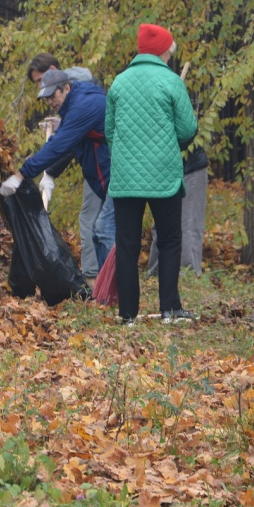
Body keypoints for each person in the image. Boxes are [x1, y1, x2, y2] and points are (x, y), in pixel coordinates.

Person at [105, 24, 198, 325]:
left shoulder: (119, 82)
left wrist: (126, 154)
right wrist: (169, 142)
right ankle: (170, 309)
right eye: (170, 50)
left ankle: (127, 314)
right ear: (162, 51)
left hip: (126, 177)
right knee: (169, 239)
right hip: (164, 175)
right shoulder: (171, 81)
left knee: (127, 244)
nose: (171, 55)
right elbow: (188, 128)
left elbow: (109, 131)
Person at [0, 68, 115, 268]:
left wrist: (21, 175)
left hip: (121, 174)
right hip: (110, 175)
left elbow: (58, 146)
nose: (50, 102)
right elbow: (61, 144)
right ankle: (107, 283)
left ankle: (115, 284)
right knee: (100, 232)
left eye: (53, 96)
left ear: (66, 88)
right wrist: (49, 173)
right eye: (47, 98)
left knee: (104, 230)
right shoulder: (74, 105)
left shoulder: (84, 105)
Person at [27, 52, 105, 281]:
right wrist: (62, 124)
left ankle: (94, 273)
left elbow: (69, 141)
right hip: (97, 164)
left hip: (103, 165)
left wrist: (50, 173)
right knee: (100, 220)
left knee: (95, 219)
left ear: (53, 71)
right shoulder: (77, 90)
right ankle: (100, 272)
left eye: (41, 80)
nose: (41, 88)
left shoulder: (78, 91)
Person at [147, 145, 208, 277]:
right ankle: (186, 276)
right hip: (184, 164)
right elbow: (187, 133)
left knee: (166, 224)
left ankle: (157, 273)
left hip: (161, 165)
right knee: (187, 224)